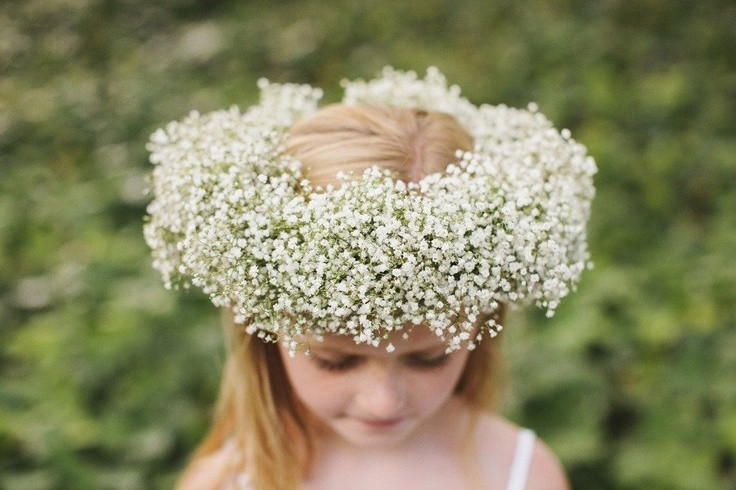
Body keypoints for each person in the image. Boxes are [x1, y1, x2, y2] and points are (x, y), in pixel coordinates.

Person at [144, 68, 596, 489]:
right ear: (263, 329)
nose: (382, 402)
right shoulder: (228, 481)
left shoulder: (522, 473)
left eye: (429, 358)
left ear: (481, 320)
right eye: (336, 361)